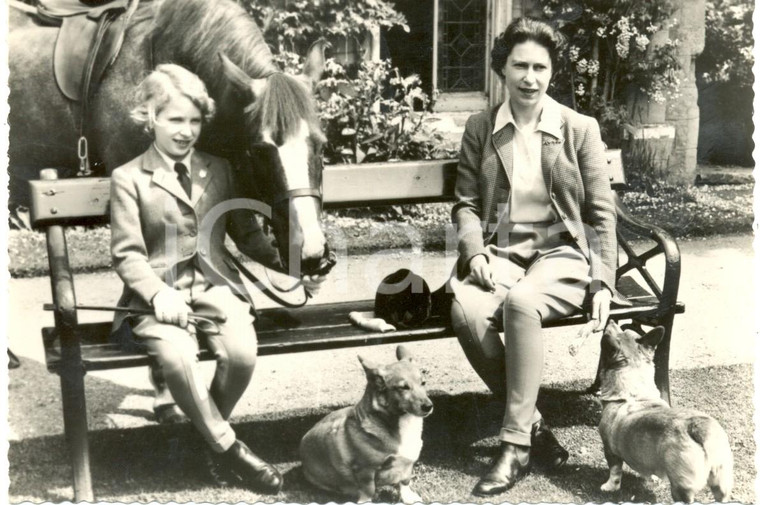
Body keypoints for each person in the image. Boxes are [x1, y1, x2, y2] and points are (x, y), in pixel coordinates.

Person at [110, 63, 324, 493]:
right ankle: (231, 450)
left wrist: (297, 268)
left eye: (193, 121)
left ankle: (201, 438)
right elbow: (127, 255)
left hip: (215, 287)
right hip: (157, 300)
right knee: (176, 357)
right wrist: (156, 295)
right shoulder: (128, 178)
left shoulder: (220, 169)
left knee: (242, 354)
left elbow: (246, 235)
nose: (185, 131)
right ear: (150, 118)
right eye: (174, 120)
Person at [448, 17, 629, 496]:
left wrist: (602, 280)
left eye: (540, 68)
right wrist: (473, 254)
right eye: (519, 66)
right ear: (501, 70)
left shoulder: (577, 128)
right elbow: (466, 203)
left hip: (561, 251)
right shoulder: (482, 127)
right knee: (466, 311)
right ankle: (534, 424)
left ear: (552, 72)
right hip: (501, 248)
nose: (530, 78)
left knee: (522, 303)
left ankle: (514, 446)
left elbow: (600, 212)